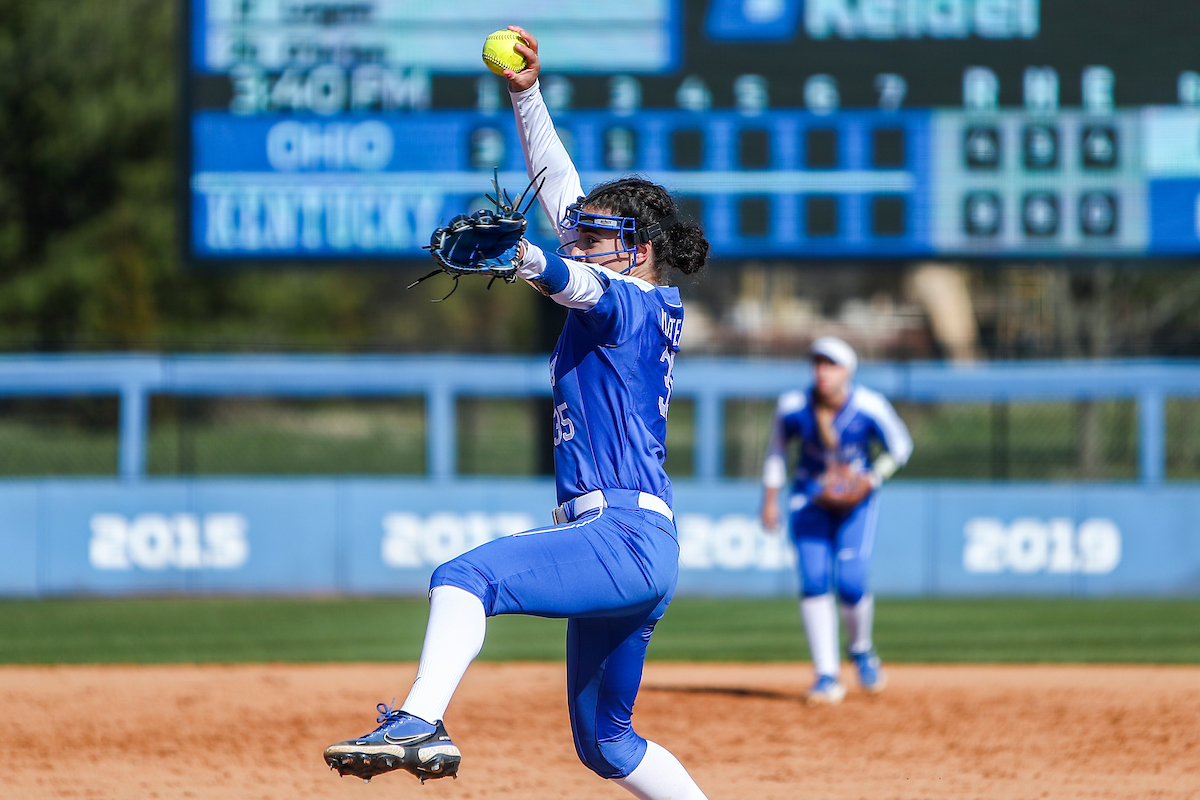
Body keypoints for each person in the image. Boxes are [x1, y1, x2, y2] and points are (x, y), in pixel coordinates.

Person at [323, 26, 712, 800]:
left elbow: (576, 280)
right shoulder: (635, 289)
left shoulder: (627, 300)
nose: (581, 235)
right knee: (608, 745)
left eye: (598, 234)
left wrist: (527, 257)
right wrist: (526, 95)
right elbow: (562, 193)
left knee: (463, 576)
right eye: (582, 230)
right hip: (636, 540)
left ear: (639, 249)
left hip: (621, 533)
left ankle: (420, 719)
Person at [759, 336, 912, 706]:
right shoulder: (794, 406)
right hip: (810, 497)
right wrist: (770, 498)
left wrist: (871, 478)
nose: (822, 372)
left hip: (854, 503)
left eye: (831, 364)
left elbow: (901, 446)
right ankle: (826, 675)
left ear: (848, 371)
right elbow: (777, 451)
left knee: (852, 582)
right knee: (813, 582)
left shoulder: (869, 404)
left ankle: (861, 650)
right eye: (818, 363)